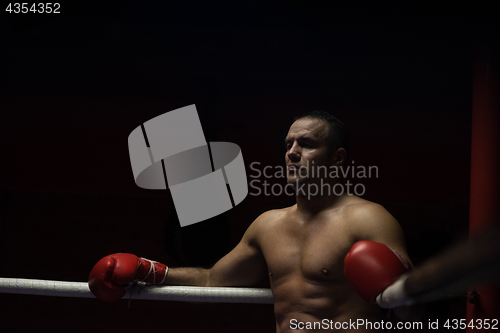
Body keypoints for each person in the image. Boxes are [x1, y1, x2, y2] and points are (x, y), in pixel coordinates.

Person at [89, 111, 413, 332]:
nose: (293, 153)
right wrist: (150, 271)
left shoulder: (368, 219)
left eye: (308, 144)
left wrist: (402, 292)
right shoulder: (267, 225)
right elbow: (213, 280)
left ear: (337, 158)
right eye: (288, 145)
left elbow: (413, 313)